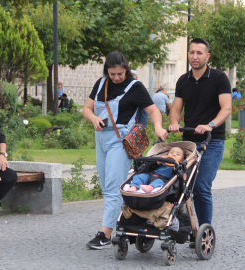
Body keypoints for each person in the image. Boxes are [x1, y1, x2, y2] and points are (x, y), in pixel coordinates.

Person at [82, 51, 168, 249]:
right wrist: (93, 118)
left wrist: (157, 127)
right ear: (107, 71)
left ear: (126, 69)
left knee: (113, 187)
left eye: (120, 73)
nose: (117, 77)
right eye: (112, 74)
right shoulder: (100, 84)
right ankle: (124, 221)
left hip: (120, 141)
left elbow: (153, 110)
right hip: (101, 139)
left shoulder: (134, 86)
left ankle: (104, 234)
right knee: (106, 186)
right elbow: (87, 108)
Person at [169, 38, 232, 231]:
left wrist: (210, 125)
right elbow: (176, 108)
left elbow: (227, 107)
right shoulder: (183, 80)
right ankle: (186, 225)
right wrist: (174, 122)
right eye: (191, 52)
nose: (195, 57)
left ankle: (205, 231)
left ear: (207, 56)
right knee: (180, 186)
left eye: (199, 53)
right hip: (188, 142)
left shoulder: (219, 78)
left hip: (212, 141)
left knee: (201, 187)